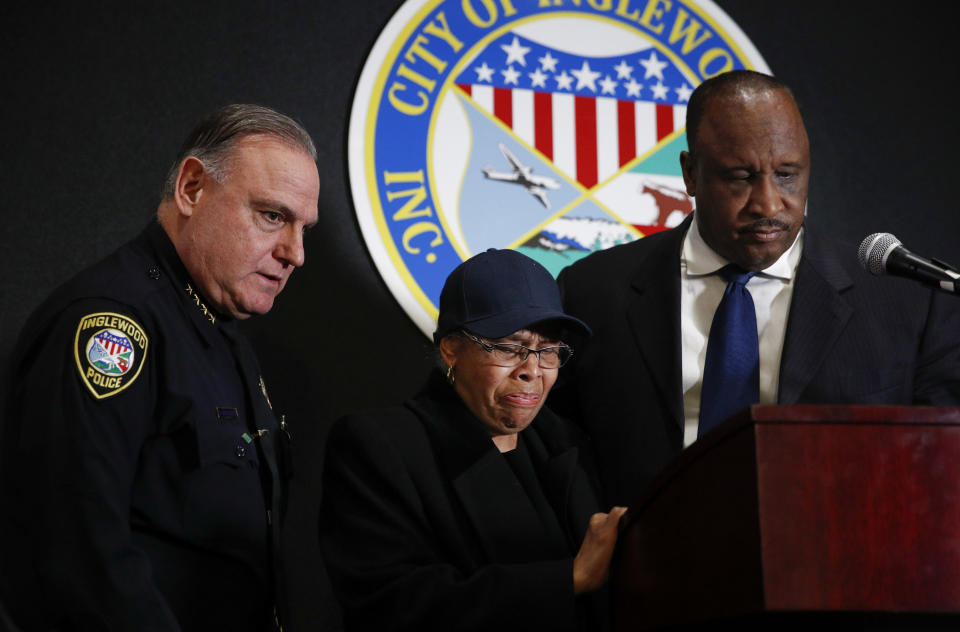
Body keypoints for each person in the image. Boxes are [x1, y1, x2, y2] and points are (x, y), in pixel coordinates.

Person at [555, 70, 960, 507]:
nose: (768, 204)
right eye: (740, 177)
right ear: (690, 174)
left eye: (787, 174)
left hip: (839, 564)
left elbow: (940, 474)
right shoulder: (592, 293)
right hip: (653, 566)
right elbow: (560, 463)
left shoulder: (907, 301)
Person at [0, 104, 320, 630]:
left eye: (303, 228)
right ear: (192, 188)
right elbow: (79, 557)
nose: (296, 253)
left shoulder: (222, 332)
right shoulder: (113, 325)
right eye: (271, 215)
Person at [319, 249, 626, 631]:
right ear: (451, 349)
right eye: (510, 348)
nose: (532, 370)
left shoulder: (567, 442)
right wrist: (568, 578)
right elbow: (390, 605)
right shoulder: (382, 446)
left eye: (548, 351)